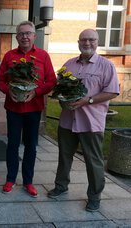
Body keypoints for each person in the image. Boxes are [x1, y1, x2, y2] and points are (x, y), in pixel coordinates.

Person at [47, 29, 120, 212]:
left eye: (91, 40)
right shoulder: (69, 64)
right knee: (64, 157)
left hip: (91, 122)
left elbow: (112, 91)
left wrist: (89, 100)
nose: (87, 43)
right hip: (67, 121)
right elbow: (58, 88)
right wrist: (61, 98)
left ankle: (94, 197)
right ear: (78, 42)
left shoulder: (106, 65)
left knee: (93, 161)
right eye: (83, 40)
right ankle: (61, 186)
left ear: (97, 42)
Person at [0, 21, 56, 197]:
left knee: (31, 146)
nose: (25, 37)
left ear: (34, 36)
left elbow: (51, 81)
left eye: (28, 33)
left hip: (34, 108)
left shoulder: (43, 56)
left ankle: (28, 181)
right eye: (21, 34)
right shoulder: (9, 56)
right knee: (12, 145)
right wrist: (9, 92)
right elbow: (0, 80)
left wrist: (36, 92)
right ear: (16, 37)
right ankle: (10, 179)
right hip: (13, 108)